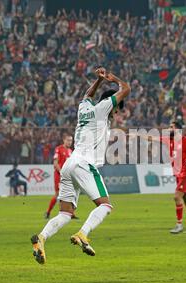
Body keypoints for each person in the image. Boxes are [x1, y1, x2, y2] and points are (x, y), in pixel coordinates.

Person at [31, 66, 131, 263]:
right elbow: (126, 89)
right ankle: (83, 234)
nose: (117, 113)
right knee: (105, 205)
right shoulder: (103, 108)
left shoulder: (85, 109)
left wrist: (99, 80)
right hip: (85, 163)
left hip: (70, 164)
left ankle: (41, 238)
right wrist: (113, 79)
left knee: (66, 213)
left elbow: (87, 95)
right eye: (118, 109)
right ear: (113, 105)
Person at [44, 134, 73, 219]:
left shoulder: (70, 151)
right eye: (68, 140)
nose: (69, 142)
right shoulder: (58, 149)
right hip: (59, 175)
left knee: (70, 194)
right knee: (57, 194)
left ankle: (71, 213)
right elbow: (55, 163)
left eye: (71, 140)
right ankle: (48, 212)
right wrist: (61, 172)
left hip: (67, 176)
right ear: (64, 140)